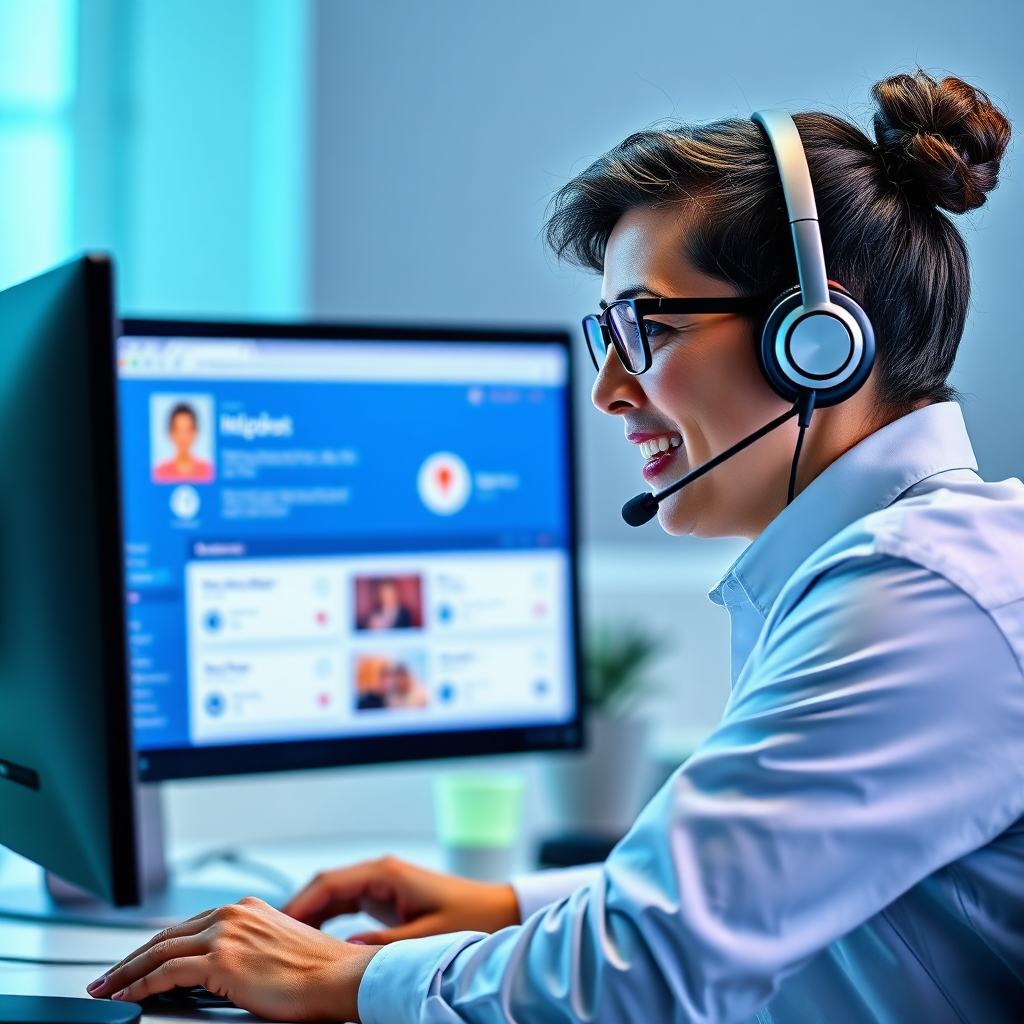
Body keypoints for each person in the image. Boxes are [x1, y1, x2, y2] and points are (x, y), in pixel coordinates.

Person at [88, 70, 1023, 1023]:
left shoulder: (919, 596)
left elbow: (640, 974)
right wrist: (507, 908)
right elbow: (755, 898)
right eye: (606, 334)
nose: (609, 388)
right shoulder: (902, 568)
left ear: (817, 340)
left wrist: (343, 979)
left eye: (645, 328)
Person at [152, 402, 215, 483]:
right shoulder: (160, 472)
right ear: (170, 433)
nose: (183, 437)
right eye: (178, 430)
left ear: (196, 432)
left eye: (188, 430)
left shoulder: (208, 471)